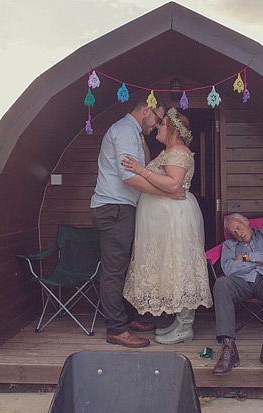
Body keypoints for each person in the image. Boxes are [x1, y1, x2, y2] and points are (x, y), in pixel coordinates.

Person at [90, 96, 185, 349]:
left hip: (121, 207)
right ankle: (116, 329)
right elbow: (128, 177)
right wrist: (168, 193)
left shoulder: (134, 134)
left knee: (122, 267)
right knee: (114, 271)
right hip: (114, 208)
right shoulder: (124, 131)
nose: (156, 125)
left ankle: (128, 319)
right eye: (156, 119)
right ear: (145, 111)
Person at [121, 108, 213, 345]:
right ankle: (177, 322)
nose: (157, 128)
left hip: (173, 218)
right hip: (162, 218)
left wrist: (141, 170)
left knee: (177, 264)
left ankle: (185, 327)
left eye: (161, 125)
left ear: (172, 128)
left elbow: (173, 184)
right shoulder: (168, 152)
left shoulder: (179, 152)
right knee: (168, 265)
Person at [212, 213, 263, 376]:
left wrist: (246, 258)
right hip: (242, 283)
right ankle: (229, 349)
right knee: (221, 283)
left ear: (246, 222)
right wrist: (262, 259)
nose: (238, 234)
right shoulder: (229, 245)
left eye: (239, 228)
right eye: (234, 232)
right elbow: (229, 269)